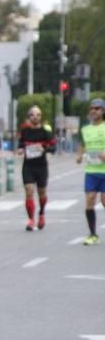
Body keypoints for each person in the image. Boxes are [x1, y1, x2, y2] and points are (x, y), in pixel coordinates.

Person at [16, 105, 56, 231]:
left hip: (41, 166)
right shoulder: (25, 131)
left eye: (38, 115)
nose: (35, 117)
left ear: (40, 117)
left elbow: (54, 148)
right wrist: (20, 149)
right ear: (29, 117)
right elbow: (21, 144)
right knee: (29, 191)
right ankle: (31, 220)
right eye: (33, 115)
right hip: (28, 166)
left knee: (42, 192)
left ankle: (41, 214)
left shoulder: (45, 131)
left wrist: (44, 148)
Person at [76, 98, 105, 245]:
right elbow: (82, 144)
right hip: (91, 171)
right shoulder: (85, 129)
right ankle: (93, 234)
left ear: (103, 111)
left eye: (97, 108)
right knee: (90, 200)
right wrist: (79, 155)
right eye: (91, 108)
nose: (93, 111)